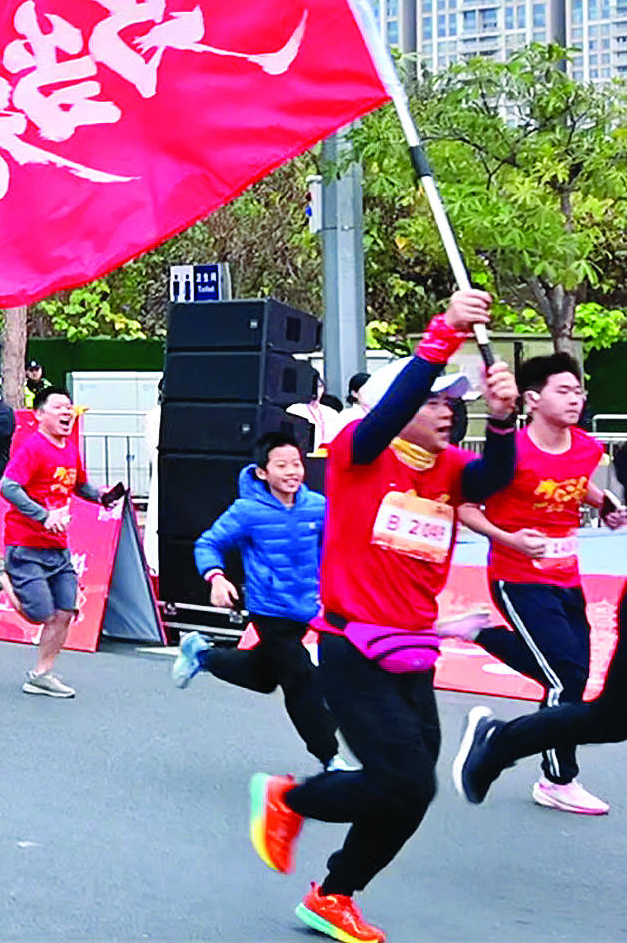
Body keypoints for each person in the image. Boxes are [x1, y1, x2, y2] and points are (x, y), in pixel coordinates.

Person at [247, 290, 518, 943]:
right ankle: (290, 798)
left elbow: (498, 479)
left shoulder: (452, 472)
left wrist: (505, 420)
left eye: (454, 402)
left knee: (413, 793)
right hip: (351, 649)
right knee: (402, 777)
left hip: (413, 653)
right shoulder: (357, 456)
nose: (446, 411)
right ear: (395, 410)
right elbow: (392, 407)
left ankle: (333, 895)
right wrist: (442, 335)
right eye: (431, 401)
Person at [454, 350, 627, 817]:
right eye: (564, 391)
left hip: (568, 575)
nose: (576, 399)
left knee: (563, 669)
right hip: (517, 577)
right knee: (565, 677)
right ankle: (557, 779)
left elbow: (576, 485)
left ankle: (479, 634)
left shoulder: (588, 447)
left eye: (579, 391)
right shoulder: (513, 453)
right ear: (533, 399)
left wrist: (606, 502)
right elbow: (467, 508)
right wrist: (508, 537)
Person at [171, 432, 341, 770]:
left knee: (265, 678)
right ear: (262, 472)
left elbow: (334, 549)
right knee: (301, 678)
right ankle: (329, 758)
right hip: (270, 608)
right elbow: (208, 544)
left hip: (309, 607)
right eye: (281, 465)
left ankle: (201, 655)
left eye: (296, 464)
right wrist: (216, 578)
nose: (292, 472)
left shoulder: (317, 507)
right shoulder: (248, 511)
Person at [0, 387, 125, 698]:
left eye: (69, 407)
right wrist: (42, 515)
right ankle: (1, 576)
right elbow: (8, 487)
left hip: (57, 547)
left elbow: (78, 485)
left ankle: (42, 673)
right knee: (40, 613)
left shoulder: (70, 449)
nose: (67, 413)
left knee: (65, 611)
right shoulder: (32, 448)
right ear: (39, 414)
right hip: (25, 543)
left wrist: (102, 497)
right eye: (59, 407)